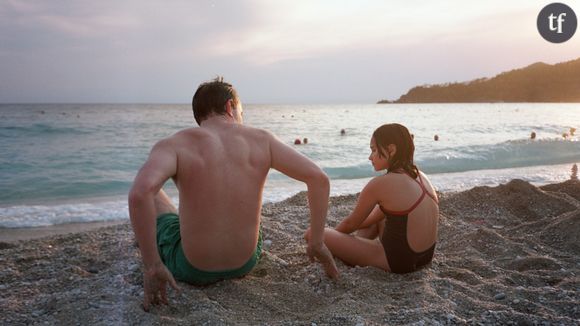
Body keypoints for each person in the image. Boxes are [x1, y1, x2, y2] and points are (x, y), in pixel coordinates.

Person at [129, 77, 338, 311]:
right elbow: (319, 179)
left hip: (192, 267)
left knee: (156, 197)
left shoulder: (175, 144)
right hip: (245, 262)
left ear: (199, 117)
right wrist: (317, 242)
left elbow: (140, 194)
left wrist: (152, 265)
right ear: (230, 107)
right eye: (242, 112)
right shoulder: (263, 140)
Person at [306, 123, 438, 274]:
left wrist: (328, 240)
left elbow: (350, 224)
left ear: (391, 150)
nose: (370, 157)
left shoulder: (381, 184)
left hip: (399, 262)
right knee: (375, 219)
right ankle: (352, 250)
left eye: (374, 150)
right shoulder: (421, 177)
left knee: (312, 234)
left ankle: (349, 251)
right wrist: (340, 239)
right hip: (425, 257)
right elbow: (367, 220)